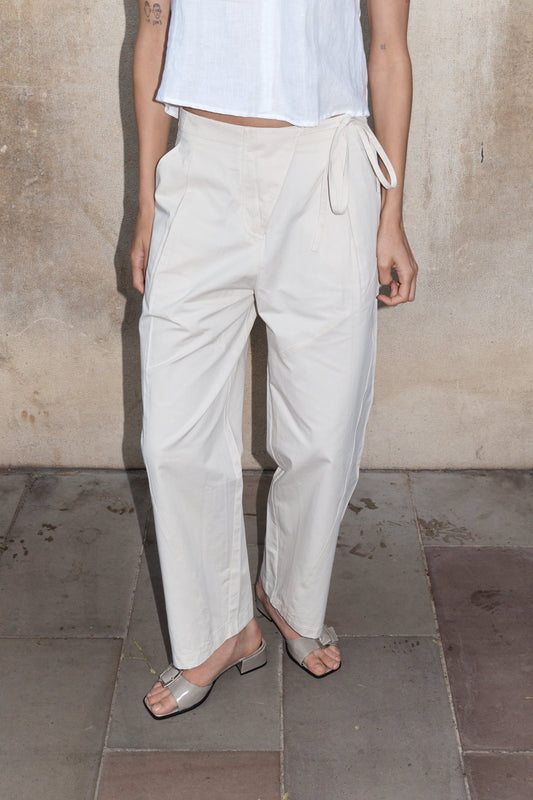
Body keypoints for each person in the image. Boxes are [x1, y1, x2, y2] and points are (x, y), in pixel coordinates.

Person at [130, 0, 417, 719]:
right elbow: (154, 28)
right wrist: (146, 207)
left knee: (323, 432)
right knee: (173, 439)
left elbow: (387, 46)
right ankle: (218, 630)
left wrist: (391, 215)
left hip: (326, 170)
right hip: (201, 169)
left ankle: (291, 595)